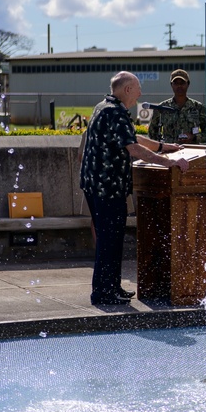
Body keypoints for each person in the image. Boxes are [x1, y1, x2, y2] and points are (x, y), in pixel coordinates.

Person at [80, 71, 189, 306]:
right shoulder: (114, 111)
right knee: (110, 239)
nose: (141, 93)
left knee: (109, 238)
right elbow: (133, 148)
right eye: (138, 88)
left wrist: (163, 146)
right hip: (107, 188)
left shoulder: (104, 106)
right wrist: (170, 162)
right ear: (127, 89)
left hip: (97, 185)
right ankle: (104, 293)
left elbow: (133, 138)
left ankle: (110, 286)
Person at [147, 69, 206, 144]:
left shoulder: (198, 108)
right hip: (169, 152)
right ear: (171, 85)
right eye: (176, 83)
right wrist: (162, 146)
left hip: (192, 151)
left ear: (188, 84)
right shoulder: (162, 108)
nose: (179, 86)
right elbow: (152, 132)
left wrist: (194, 137)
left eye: (182, 83)